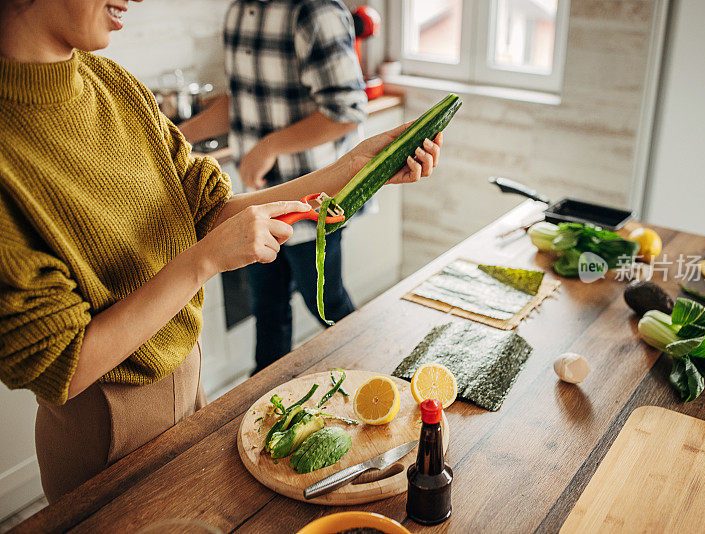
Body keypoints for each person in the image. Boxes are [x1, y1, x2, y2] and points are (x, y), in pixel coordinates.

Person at [0, 0, 442, 503]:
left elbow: (209, 207)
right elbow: (64, 363)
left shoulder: (111, 84)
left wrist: (357, 167)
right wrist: (204, 259)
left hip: (190, 389)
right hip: (101, 428)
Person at [180, 0, 368, 374]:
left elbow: (347, 111)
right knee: (267, 312)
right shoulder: (237, 13)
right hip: (256, 207)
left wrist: (271, 145)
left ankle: (374, 377)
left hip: (312, 204)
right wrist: (172, 137)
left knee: (327, 305)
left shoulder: (315, 12)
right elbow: (244, 100)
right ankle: (264, 412)